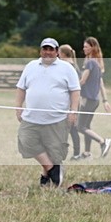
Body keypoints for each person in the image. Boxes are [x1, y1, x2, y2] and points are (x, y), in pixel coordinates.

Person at [15, 38, 80, 187]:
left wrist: (73, 111)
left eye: (51, 49)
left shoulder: (67, 68)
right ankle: (52, 169)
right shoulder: (31, 66)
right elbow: (21, 88)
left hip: (57, 118)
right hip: (31, 118)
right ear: (40, 50)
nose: (48, 52)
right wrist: (18, 107)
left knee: (55, 151)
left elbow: (75, 91)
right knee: (25, 141)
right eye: (45, 49)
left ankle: (46, 177)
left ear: (57, 52)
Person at [75, 37, 111, 159]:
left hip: (88, 99)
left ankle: (103, 141)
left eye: (86, 47)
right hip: (95, 100)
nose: (83, 48)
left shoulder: (90, 63)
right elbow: (101, 84)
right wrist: (105, 100)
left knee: (80, 126)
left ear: (92, 48)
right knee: (87, 126)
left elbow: (83, 80)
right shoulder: (97, 63)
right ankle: (87, 153)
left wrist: (70, 89)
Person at [58, 44, 82, 160]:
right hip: (71, 101)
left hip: (70, 102)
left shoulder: (68, 67)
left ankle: (75, 153)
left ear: (62, 54)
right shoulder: (73, 65)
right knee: (70, 129)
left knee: (70, 129)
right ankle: (73, 153)